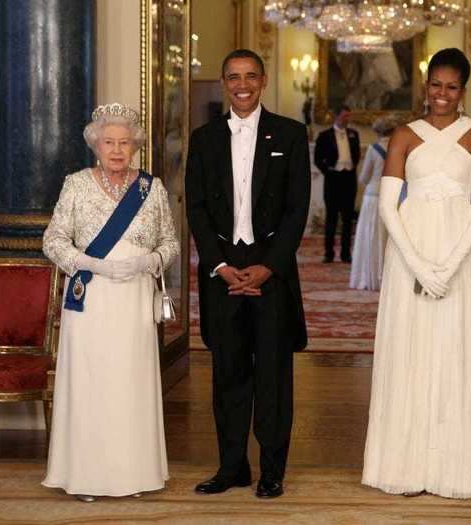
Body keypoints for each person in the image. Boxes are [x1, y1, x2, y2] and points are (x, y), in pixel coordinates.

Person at [362, 48, 471, 498]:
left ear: (464, 89)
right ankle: (403, 465)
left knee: (452, 349)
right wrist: (420, 265)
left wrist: (450, 266)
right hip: (410, 254)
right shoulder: (404, 135)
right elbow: (386, 207)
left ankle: (453, 470)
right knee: (410, 349)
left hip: (460, 258)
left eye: (452, 86)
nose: (442, 94)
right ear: (426, 85)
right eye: (435, 85)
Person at [185, 49, 310, 499]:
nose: (243, 84)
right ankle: (232, 466)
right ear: (223, 82)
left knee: (274, 376)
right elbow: (195, 207)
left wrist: (268, 266)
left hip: (271, 274)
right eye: (234, 77)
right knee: (228, 374)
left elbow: (298, 209)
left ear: (263, 80)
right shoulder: (203, 139)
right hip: (222, 273)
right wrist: (219, 266)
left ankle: (272, 471)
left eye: (251, 76)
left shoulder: (291, 135)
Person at [42, 103, 179, 501]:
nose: (117, 149)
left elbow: (170, 242)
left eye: (124, 142)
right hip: (92, 298)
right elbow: (53, 240)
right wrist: (87, 263)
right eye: (108, 142)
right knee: (92, 383)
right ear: (95, 145)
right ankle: (86, 477)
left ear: (135, 146)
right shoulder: (76, 183)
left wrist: (149, 260)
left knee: (129, 383)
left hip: (133, 296)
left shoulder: (150, 189)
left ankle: (134, 475)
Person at [349, 115, 396, 291]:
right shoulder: (398, 147)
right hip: (392, 196)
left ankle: (370, 276)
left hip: (373, 197)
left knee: (371, 238)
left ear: (377, 131)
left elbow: (364, 177)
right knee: (389, 238)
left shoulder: (373, 149)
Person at [314, 105, 361, 263]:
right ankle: (329, 253)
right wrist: (329, 171)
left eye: (349, 116)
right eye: (344, 116)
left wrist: (350, 167)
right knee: (332, 219)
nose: (347, 119)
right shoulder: (324, 135)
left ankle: (346, 254)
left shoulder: (354, 134)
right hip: (333, 180)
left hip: (349, 179)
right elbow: (317, 159)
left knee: (347, 220)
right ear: (336, 117)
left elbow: (357, 155)